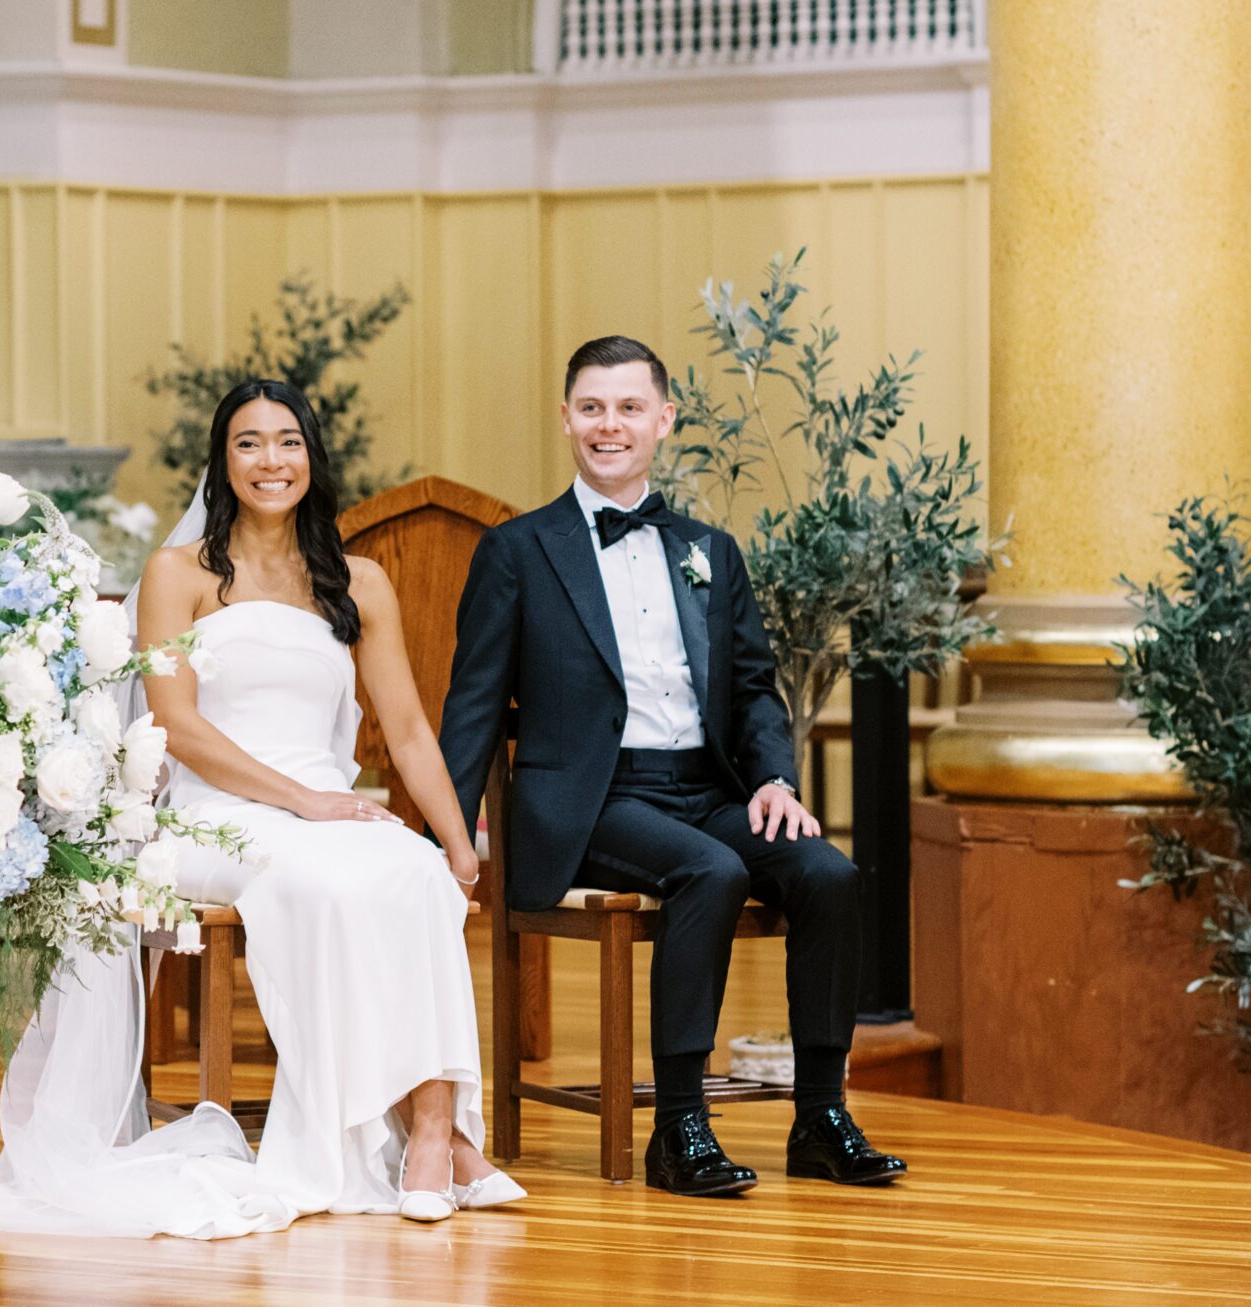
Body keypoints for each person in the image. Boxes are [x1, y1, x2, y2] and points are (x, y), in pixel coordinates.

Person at [438, 336, 906, 1198]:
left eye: (627, 408)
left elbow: (756, 688)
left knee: (828, 873)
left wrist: (774, 779)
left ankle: (820, 1115)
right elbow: (471, 707)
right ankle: (679, 1126)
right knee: (711, 870)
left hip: (708, 787)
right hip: (591, 800)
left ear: (663, 420)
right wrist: (449, 837)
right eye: (590, 407)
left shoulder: (708, 550)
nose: (607, 425)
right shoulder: (518, 550)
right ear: (566, 418)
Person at [137, 379, 521, 1224]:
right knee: (328, 880)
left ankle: (432, 1131)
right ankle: (420, 1136)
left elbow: (412, 731)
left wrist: (458, 842)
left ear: (311, 457)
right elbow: (176, 726)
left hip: (324, 807)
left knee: (417, 872)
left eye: (287, 442)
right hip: (214, 814)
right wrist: (305, 801)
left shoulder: (358, 582)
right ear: (221, 458)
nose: (269, 460)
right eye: (248, 442)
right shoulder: (178, 574)